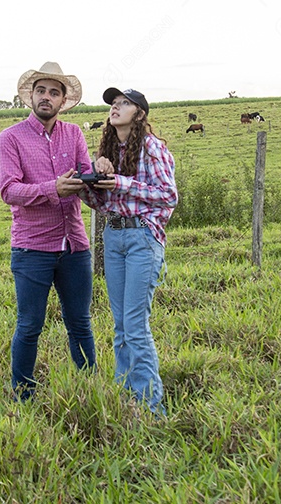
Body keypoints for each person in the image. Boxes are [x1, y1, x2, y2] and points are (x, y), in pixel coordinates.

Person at [0, 61, 97, 400]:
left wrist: (100, 177)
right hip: (32, 248)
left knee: (80, 322)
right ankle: (23, 395)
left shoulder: (74, 134)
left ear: (63, 101)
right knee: (29, 326)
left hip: (75, 246)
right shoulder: (10, 139)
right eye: (41, 91)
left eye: (54, 92)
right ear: (30, 97)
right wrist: (54, 188)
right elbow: (9, 190)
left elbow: (84, 180)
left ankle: (88, 387)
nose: (47, 97)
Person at [80, 87, 177, 415]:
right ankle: (126, 401)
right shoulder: (108, 150)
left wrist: (121, 183)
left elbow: (168, 195)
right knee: (120, 325)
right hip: (114, 237)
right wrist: (88, 183)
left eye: (124, 103)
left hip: (142, 238)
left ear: (139, 114)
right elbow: (103, 203)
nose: (116, 107)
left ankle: (152, 407)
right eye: (113, 103)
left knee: (135, 325)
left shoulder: (152, 147)